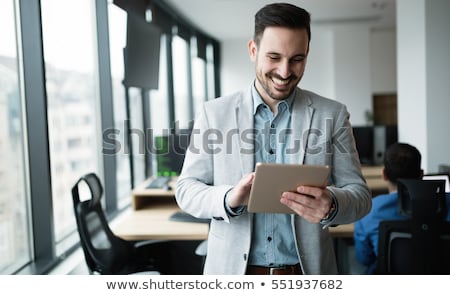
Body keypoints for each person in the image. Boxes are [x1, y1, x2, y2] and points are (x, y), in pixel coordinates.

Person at [176, 2, 371, 275]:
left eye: (297, 59)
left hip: (305, 273)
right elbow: (186, 190)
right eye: (274, 57)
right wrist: (229, 198)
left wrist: (332, 204)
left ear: (307, 54)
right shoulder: (214, 113)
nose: (284, 71)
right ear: (253, 51)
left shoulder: (333, 114)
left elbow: (361, 196)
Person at [353, 142, 450, 274]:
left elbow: (364, 258)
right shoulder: (447, 202)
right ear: (421, 174)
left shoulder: (368, 210)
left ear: (384, 174)